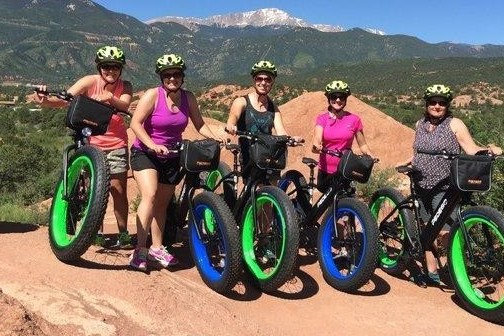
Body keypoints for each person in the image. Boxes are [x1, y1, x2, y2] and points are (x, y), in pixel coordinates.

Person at [129, 53, 224, 272]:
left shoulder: (188, 98)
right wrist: (152, 144)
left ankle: (157, 247)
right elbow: (135, 123)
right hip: (145, 153)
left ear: (182, 77)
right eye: (167, 75)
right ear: (161, 77)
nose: (172, 78)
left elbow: (199, 123)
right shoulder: (153, 95)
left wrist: (213, 136)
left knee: (162, 205)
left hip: (172, 155)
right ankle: (139, 251)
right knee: (150, 195)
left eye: (176, 74)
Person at [401, 84, 502, 285]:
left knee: (446, 231)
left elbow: (471, 149)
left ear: (447, 105)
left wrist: (489, 150)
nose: (437, 106)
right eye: (433, 102)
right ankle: (431, 271)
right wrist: (409, 161)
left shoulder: (454, 124)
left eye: (442, 103)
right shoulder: (419, 124)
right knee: (426, 227)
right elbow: (419, 151)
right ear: (427, 104)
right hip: (420, 181)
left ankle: (451, 270)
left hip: (445, 185)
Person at [35, 45, 133, 249]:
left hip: (116, 143)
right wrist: (46, 100)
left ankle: (123, 234)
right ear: (99, 68)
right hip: (90, 144)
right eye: (106, 67)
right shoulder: (90, 81)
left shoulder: (126, 86)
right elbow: (66, 99)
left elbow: (125, 105)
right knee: (91, 189)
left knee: (118, 189)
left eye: (115, 67)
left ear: (121, 69)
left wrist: (110, 98)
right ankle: (95, 232)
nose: (111, 71)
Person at [226, 60, 300, 176]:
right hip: (249, 156)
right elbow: (233, 118)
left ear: (272, 82)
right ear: (254, 80)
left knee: (273, 190)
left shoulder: (273, 108)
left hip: (269, 156)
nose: (263, 82)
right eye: (259, 78)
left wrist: (291, 139)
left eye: (268, 79)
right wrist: (231, 126)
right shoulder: (241, 102)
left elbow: (281, 132)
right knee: (254, 190)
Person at [311, 80, 373, 192]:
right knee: (327, 205)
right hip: (325, 171)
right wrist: (316, 146)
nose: (338, 100)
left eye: (342, 97)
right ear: (329, 98)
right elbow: (317, 139)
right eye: (334, 96)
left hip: (345, 170)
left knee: (344, 202)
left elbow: (363, 145)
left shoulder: (354, 120)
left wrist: (370, 156)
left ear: (346, 99)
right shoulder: (322, 119)